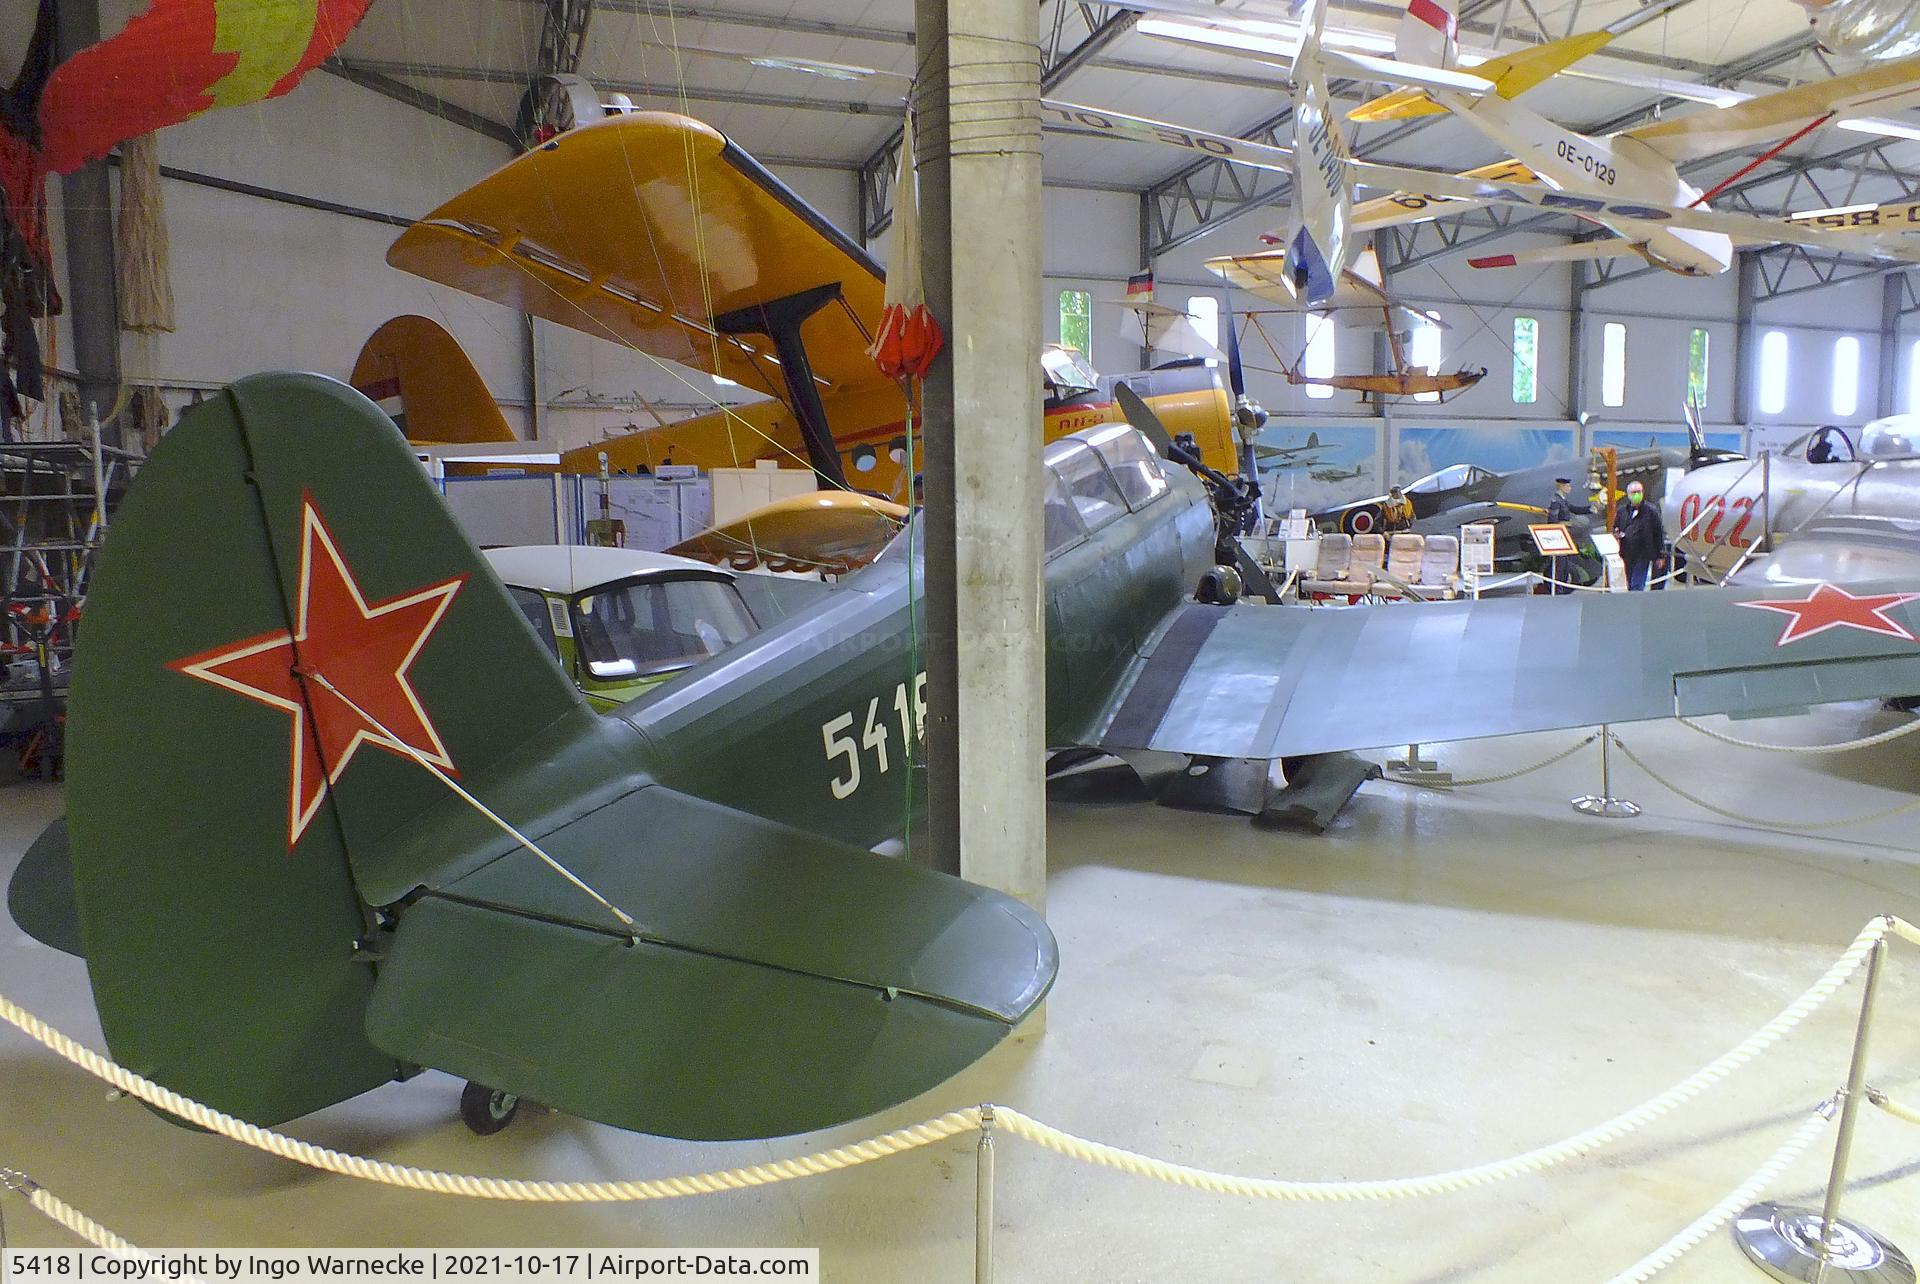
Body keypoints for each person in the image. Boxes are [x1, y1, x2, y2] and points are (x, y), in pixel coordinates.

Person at [1613, 479, 1665, 591]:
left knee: (1637, 584)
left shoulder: (1651, 511)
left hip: (1643, 553)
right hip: (1626, 552)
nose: (1637, 495)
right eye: (1634, 492)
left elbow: (1658, 533)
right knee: (1628, 582)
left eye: (1639, 491)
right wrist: (1617, 534)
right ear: (1628, 495)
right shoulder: (1622, 511)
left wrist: (1660, 555)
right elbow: (1616, 527)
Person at [1544, 478, 1590, 594]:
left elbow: (1575, 509)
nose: (1570, 488)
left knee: (1563, 564)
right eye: (1568, 486)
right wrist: (1560, 528)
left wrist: (1591, 509)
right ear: (1562, 487)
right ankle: (1557, 589)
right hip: (1559, 535)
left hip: (1564, 534)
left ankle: (1559, 588)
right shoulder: (1556, 501)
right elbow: (1552, 520)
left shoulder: (1563, 501)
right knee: (1559, 564)